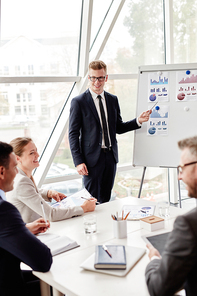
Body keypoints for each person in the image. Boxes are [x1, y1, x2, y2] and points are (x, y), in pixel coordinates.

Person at [69, 60, 151, 203]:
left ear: (106, 78)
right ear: (89, 78)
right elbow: (73, 134)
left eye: (100, 78)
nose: (96, 82)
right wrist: (78, 161)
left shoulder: (113, 100)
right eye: (93, 78)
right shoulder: (79, 102)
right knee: (90, 201)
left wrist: (138, 121)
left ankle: (105, 226)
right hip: (90, 160)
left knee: (106, 200)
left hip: (110, 158)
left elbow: (118, 127)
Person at [145, 136, 197, 296]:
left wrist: (154, 260)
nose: (179, 176)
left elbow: (159, 288)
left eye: (181, 169)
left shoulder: (189, 223)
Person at [0, 141, 52, 296]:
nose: (17, 172)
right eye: (15, 167)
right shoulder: (4, 210)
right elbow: (43, 261)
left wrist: (24, 229)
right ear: (2, 172)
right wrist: (23, 231)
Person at [7, 137, 96, 223]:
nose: (37, 155)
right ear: (17, 158)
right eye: (31, 153)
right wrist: (83, 208)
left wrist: (48, 193)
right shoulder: (21, 181)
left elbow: (29, 192)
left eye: (36, 151)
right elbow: (51, 214)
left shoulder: (19, 176)